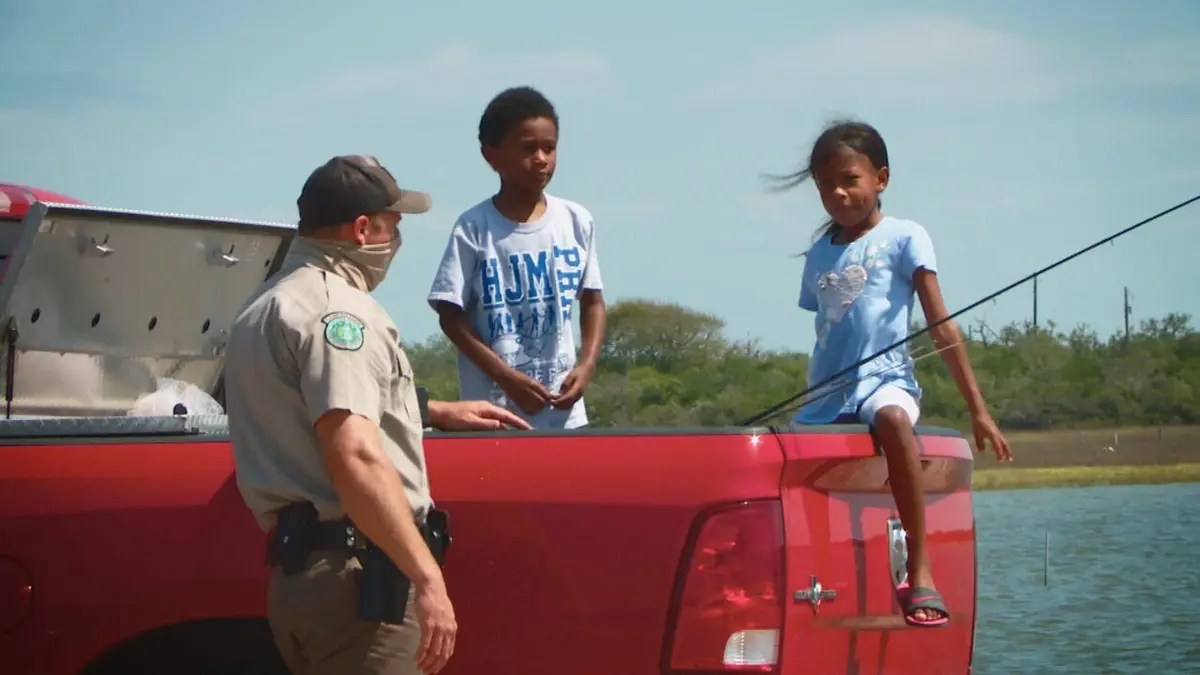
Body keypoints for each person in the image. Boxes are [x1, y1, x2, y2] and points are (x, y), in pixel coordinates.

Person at [223, 154, 531, 675]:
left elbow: (308, 404)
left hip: (303, 579)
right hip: (361, 584)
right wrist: (427, 578)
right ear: (363, 229)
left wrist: (428, 409)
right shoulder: (338, 312)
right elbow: (356, 455)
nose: (398, 240)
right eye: (394, 225)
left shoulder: (265, 303)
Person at [776, 120, 1013, 628]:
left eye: (849, 180)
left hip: (886, 383)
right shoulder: (819, 253)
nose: (838, 194)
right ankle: (808, 580)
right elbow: (826, 327)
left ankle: (920, 568)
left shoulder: (906, 236)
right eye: (825, 185)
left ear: (881, 178)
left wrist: (978, 410)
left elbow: (942, 327)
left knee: (892, 421)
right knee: (786, 459)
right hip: (826, 393)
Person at [427, 85, 606, 430]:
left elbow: (593, 301)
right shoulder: (474, 228)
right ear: (491, 155)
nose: (541, 159)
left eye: (549, 148)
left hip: (565, 417)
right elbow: (450, 315)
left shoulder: (576, 221)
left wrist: (586, 366)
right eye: (528, 148)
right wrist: (505, 377)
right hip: (495, 416)